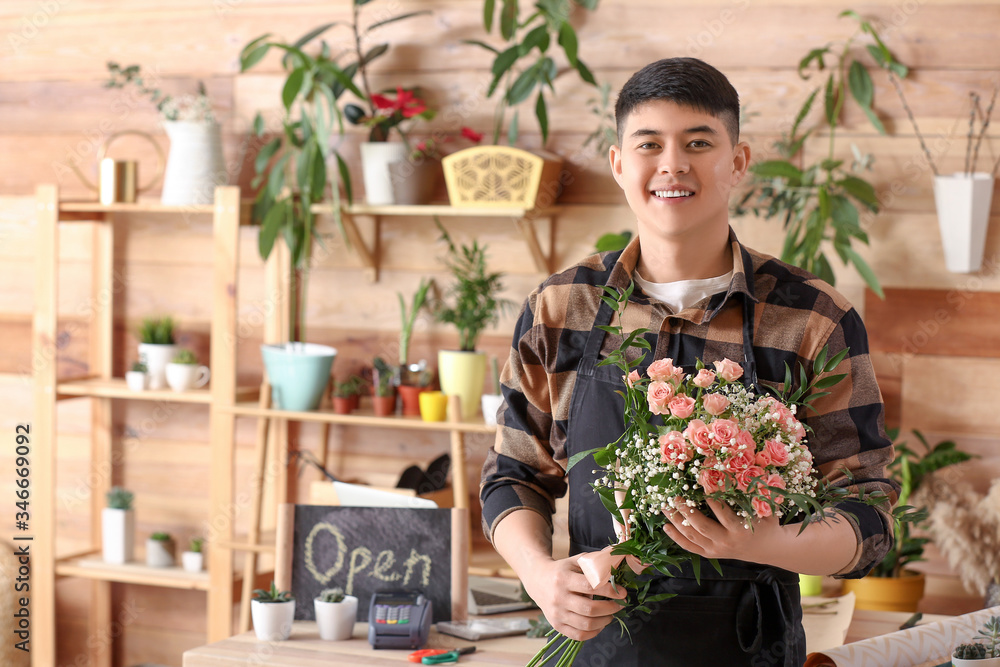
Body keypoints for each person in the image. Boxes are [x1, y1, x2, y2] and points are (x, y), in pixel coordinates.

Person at [479, 57, 897, 667]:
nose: (672, 164)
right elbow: (512, 475)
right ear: (619, 163)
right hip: (599, 647)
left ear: (737, 162)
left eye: (698, 142)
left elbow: (869, 508)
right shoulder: (562, 308)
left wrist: (771, 540)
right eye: (649, 144)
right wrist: (543, 577)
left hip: (751, 649)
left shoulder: (812, 317)